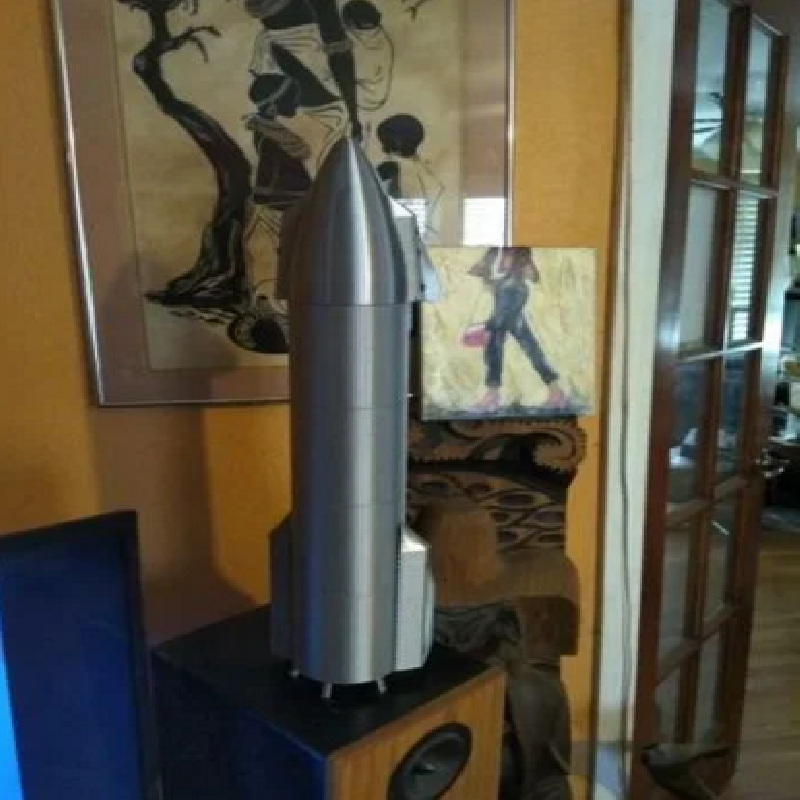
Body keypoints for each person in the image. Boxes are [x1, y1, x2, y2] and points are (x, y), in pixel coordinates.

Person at [469, 248, 568, 414]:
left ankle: (492, 395)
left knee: (495, 341)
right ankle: (556, 391)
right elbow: (477, 269)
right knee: (527, 343)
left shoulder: (517, 252)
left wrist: (513, 268)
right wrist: (491, 273)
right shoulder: (495, 251)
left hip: (512, 294)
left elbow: (534, 276)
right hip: (505, 294)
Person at [376, 113, 443, 239]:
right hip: (426, 237)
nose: (382, 147)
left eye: (385, 141)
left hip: (403, 236)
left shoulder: (389, 168)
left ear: (396, 142)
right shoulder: (425, 171)